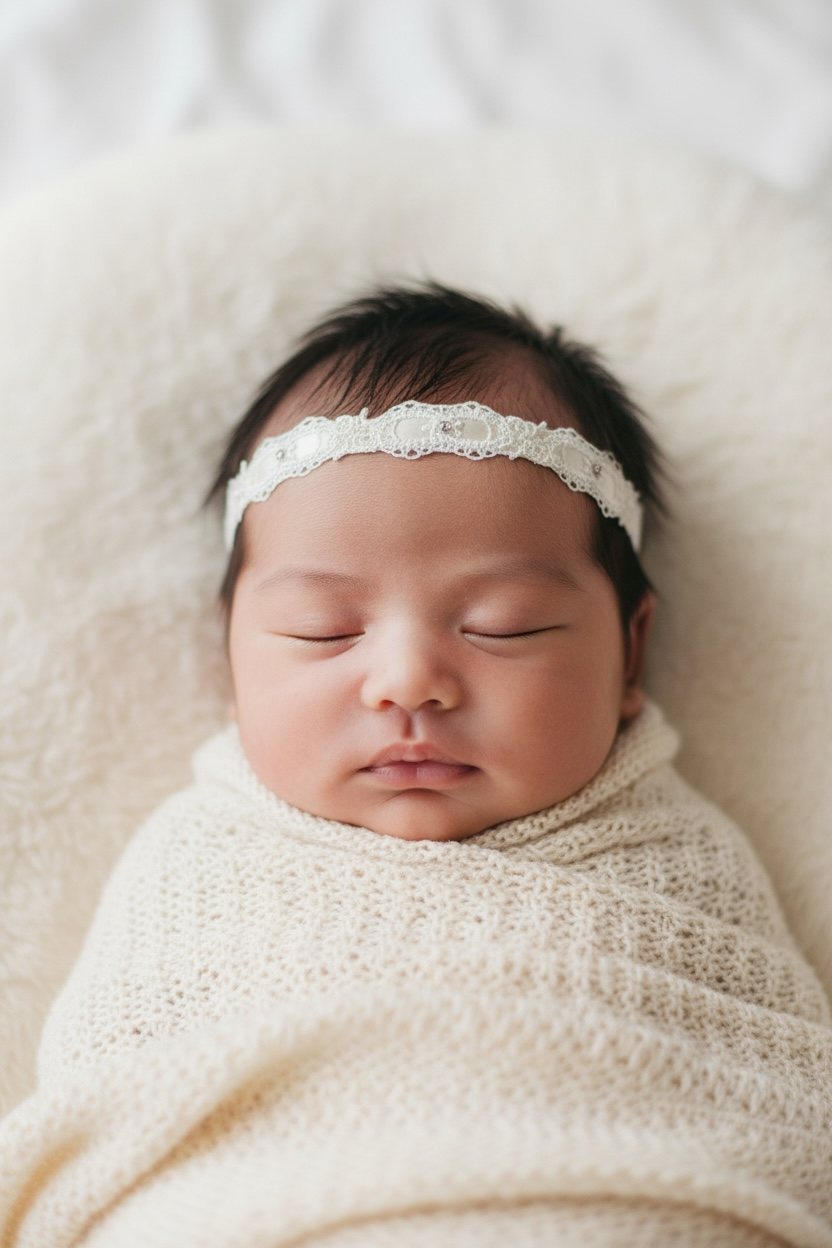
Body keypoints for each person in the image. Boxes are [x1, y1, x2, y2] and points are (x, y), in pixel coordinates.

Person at [0, 285, 830, 1247]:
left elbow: (769, 1098)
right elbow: (110, 1103)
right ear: (230, 656)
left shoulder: (681, 864)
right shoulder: (195, 869)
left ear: (630, 655)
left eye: (503, 626)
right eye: (323, 629)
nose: (408, 682)